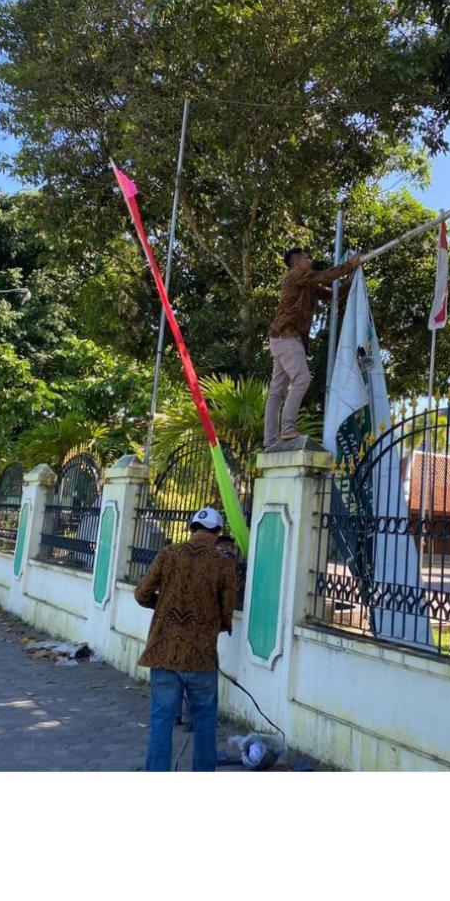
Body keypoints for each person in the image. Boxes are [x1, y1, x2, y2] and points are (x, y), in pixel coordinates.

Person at [134, 506, 239, 772]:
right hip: (201, 658)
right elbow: (226, 614)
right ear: (218, 532)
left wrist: (163, 607)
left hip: (163, 653)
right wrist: (208, 622)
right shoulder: (223, 564)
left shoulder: (167, 554)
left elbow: (142, 593)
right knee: (205, 723)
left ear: (192, 529)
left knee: (161, 722)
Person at [264, 246, 362, 449]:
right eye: (306, 258)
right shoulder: (295, 275)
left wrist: (351, 276)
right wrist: (349, 265)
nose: (309, 261)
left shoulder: (307, 283)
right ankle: (288, 427)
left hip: (282, 337)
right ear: (297, 261)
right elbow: (325, 276)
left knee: (277, 391)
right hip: (286, 335)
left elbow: (333, 294)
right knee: (301, 379)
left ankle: (270, 439)